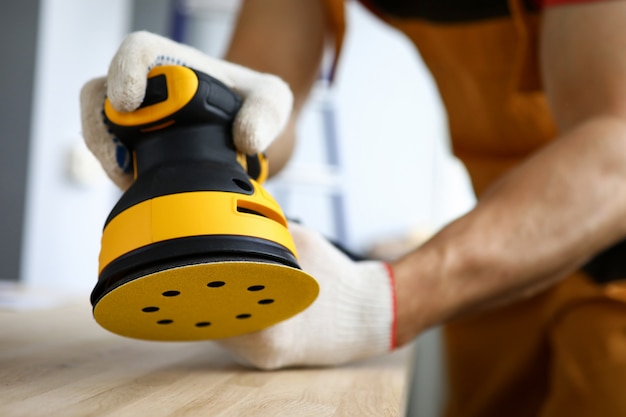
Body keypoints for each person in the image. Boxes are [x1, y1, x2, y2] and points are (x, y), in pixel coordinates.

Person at [80, 0, 626, 415]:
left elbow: (615, 145)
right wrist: (199, 114)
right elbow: (267, 109)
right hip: (503, 240)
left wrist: (384, 303)